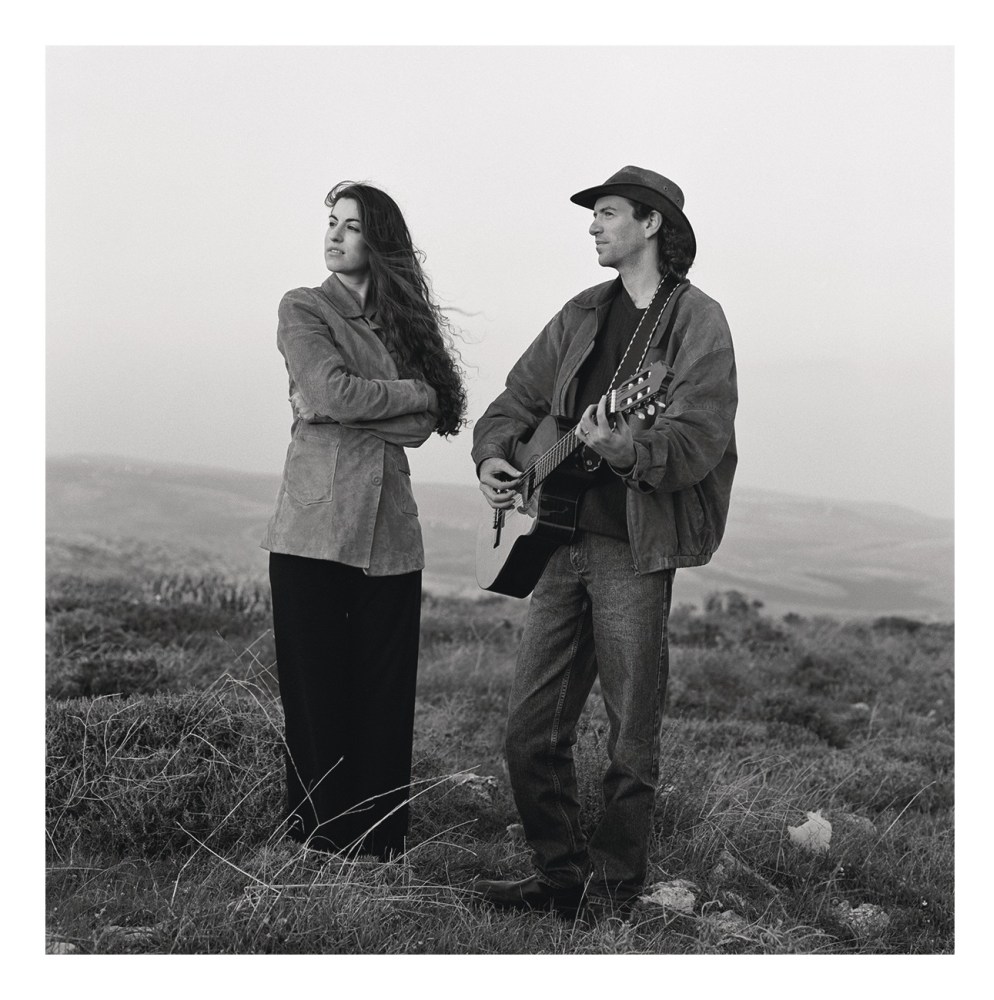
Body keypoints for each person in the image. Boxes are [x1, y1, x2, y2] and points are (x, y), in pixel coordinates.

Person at [471, 165, 737, 914]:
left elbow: (700, 436)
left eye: (608, 213)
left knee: (631, 737)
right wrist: (497, 457)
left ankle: (615, 890)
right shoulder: (581, 312)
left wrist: (623, 447)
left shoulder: (696, 321)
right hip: (555, 544)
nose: (593, 224)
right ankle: (558, 875)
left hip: (630, 549)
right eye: (594, 215)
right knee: (528, 733)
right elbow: (514, 402)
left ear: (651, 224)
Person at [262, 181, 466, 859]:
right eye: (331, 222)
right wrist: (404, 394)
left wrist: (355, 405)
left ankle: (379, 844)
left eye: (351, 226)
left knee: (383, 696)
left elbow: (427, 421)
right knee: (317, 695)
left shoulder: (406, 322)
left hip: (392, 537)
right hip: (314, 530)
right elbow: (328, 390)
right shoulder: (304, 308)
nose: (334, 235)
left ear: (378, 241)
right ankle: (320, 843)